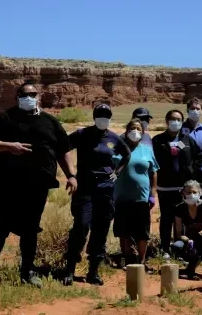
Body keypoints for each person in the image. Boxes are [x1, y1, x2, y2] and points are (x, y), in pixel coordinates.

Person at [0, 82, 78, 290]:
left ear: (38, 97)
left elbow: (63, 149)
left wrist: (72, 175)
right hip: (5, 186)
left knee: (30, 230)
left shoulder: (50, 122)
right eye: (24, 94)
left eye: (33, 94)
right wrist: (8, 146)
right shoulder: (4, 118)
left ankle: (27, 272)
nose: (29, 97)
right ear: (17, 96)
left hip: (36, 187)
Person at [62, 104, 130, 286]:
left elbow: (127, 155)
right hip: (84, 187)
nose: (103, 118)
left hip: (106, 188)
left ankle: (93, 271)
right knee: (81, 225)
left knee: (101, 228)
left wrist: (117, 172)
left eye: (106, 115)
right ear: (94, 116)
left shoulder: (114, 138)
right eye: (100, 115)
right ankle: (69, 269)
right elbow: (64, 147)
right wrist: (71, 173)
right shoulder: (82, 134)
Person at [113, 118, 159, 271]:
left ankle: (142, 261)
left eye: (139, 129)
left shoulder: (146, 150)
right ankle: (127, 259)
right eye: (133, 128)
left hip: (142, 197)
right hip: (121, 196)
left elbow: (153, 173)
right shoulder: (117, 149)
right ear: (126, 131)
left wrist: (153, 194)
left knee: (142, 232)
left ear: (143, 132)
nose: (136, 132)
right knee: (124, 230)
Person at [151, 109, 195, 258]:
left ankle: (180, 248)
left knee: (182, 218)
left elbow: (199, 156)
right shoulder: (158, 140)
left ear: (182, 122)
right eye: (172, 119)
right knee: (166, 218)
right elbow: (152, 161)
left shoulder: (187, 139)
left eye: (178, 119)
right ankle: (165, 248)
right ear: (166, 121)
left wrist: (191, 171)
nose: (175, 122)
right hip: (164, 187)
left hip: (183, 188)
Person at [172, 180, 202, 279]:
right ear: (183, 193)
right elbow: (178, 233)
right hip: (190, 240)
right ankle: (190, 267)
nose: (191, 195)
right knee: (177, 246)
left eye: (194, 192)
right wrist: (188, 240)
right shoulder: (179, 208)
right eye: (188, 192)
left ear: (200, 193)